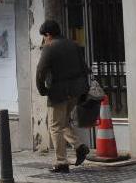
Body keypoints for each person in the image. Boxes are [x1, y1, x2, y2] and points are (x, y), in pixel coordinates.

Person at [35, 19, 90, 173]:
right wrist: (83, 90)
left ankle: (61, 162)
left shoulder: (50, 47)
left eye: (44, 36)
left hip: (59, 92)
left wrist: (42, 90)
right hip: (76, 91)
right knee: (63, 122)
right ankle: (80, 147)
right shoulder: (73, 44)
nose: (44, 39)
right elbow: (84, 67)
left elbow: (40, 72)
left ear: (48, 34)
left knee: (54, 126)